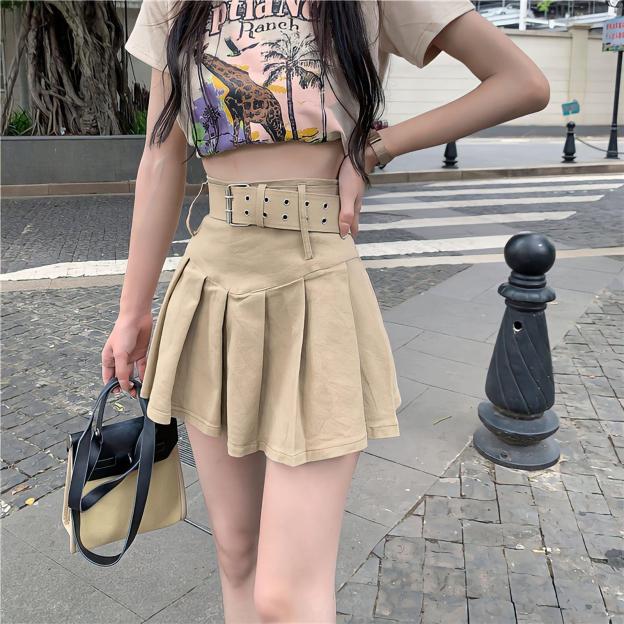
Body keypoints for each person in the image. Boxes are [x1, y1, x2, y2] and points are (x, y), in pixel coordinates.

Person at [106, 1, 550, 621]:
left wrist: (373, 149)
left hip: (315, 287)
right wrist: (132, 310)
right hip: (212, 286)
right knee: (235, 554)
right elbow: (160, 156)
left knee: (285, 596)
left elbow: (521, 82)